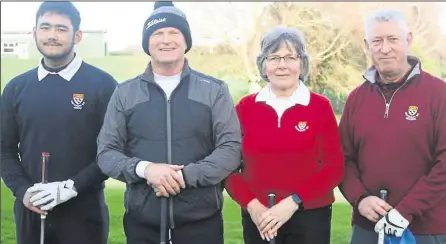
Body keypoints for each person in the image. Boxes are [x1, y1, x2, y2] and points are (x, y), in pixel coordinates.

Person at [96, 1, 242, 244]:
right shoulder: (125, 93)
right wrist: (146, 170)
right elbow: (106, 153)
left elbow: (230, 150)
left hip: (201, 224)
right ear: (147, 43)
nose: (166, 40)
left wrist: (182, 177)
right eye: (157, 33)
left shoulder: (214, 90)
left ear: (186, 41)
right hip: (143, 225)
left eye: (174, 32)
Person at [0, 2, 117, 244]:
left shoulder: (103, 85)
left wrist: (70, 188)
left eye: (61, 29)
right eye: (45, 27)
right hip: (30, 213)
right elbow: (4, 150)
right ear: (34, 33)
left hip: (85, 213)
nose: (52, 35)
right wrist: (23, 191)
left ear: (78, 35)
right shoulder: (16, 88)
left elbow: (112, 153)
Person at [225, 25, 344, 244]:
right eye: (274, 57)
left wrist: (293, 202)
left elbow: (334, 166)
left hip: (310, 218)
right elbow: (229, 168)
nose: (282, 65)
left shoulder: (320, 106)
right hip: (259, 219)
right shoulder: (245, 108)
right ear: (264, 64)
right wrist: (252, 206)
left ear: (302, 63)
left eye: (290, 57)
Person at [338, 8, 446, 244]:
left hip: (426, 229)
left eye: (392, 39)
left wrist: (405, 210)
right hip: (368, 228)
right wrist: (361, 199)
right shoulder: (356, 99)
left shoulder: (439, 94)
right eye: (377, 41)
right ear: (367, 45)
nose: (385, 48)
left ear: (408, 40)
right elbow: (343, 159)